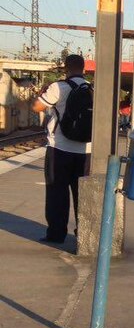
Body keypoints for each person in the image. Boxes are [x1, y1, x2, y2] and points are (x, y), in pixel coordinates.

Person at [32, 54, 91, 244]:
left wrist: (42, 93)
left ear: (66, 68)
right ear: (84, 69)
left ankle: (56, 235)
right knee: (82, 196)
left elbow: (37, 107)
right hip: (86, 151)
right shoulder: (92, 89)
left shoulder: (58, 87)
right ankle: (84, 235)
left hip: (59, 148)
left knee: (57, 193)